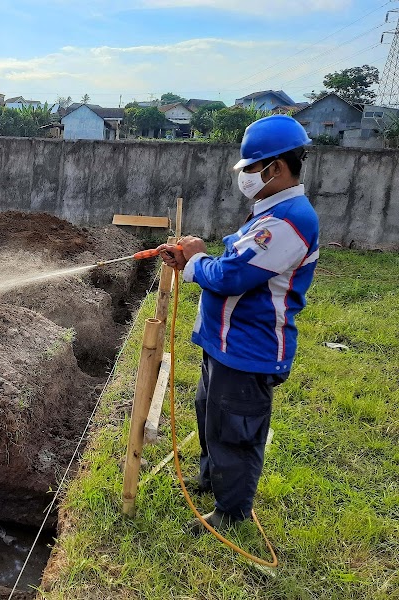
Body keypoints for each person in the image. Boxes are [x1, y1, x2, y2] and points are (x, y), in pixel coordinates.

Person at [158, 115, 319, 533]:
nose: (245, 176)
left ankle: (232, 512)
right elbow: (233, 264)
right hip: (225, 344)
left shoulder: (287, 222)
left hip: (249, 351)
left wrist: (195, 259)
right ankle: (212, 481)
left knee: (235, 432)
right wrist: (195, 262)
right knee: (209, 413)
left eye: (250, 168)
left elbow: (232, 276)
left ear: (276, 168)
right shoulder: (270, 213)